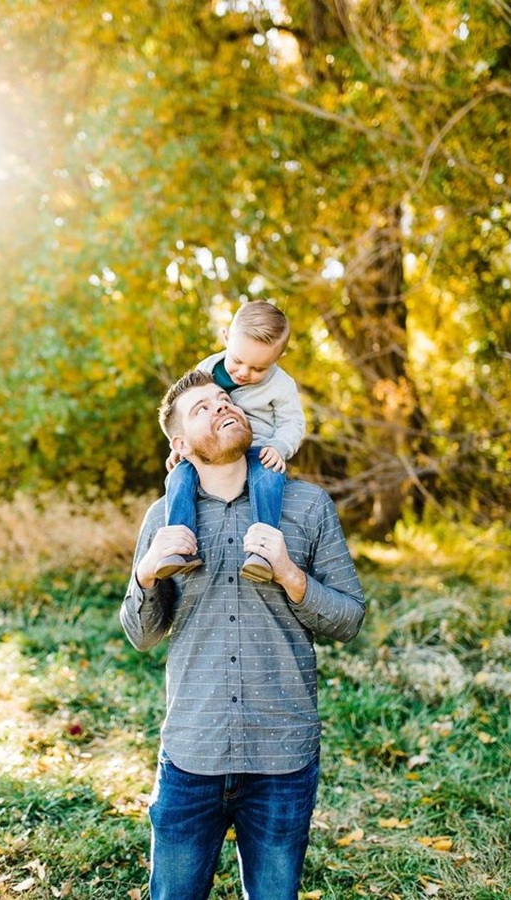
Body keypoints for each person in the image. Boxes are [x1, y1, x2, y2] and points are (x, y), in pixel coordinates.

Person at [120, 369, 366, 900]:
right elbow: (141, 635)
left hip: (283, 753)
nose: (221, 408)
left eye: (223, 399)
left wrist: (290, 576)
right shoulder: (163, 518)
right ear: (180, 445)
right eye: (202, 408)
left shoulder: (306, 506)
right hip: (193, 749)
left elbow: (349, 619)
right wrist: (146, 575)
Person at [156, 300, 306, 584]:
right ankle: (180, 546)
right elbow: (183, 412)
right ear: (226, 337)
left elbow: (293, 422)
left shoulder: (281, 385)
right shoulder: (206, 368)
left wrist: (279, 447)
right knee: (179, 477)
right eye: (237, 361)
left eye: (258, 368)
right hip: (212, 450)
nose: (244, 373)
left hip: (260, 448)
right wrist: (180, 447)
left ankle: (262, 553)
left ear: (278, 358)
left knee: (269, 477)